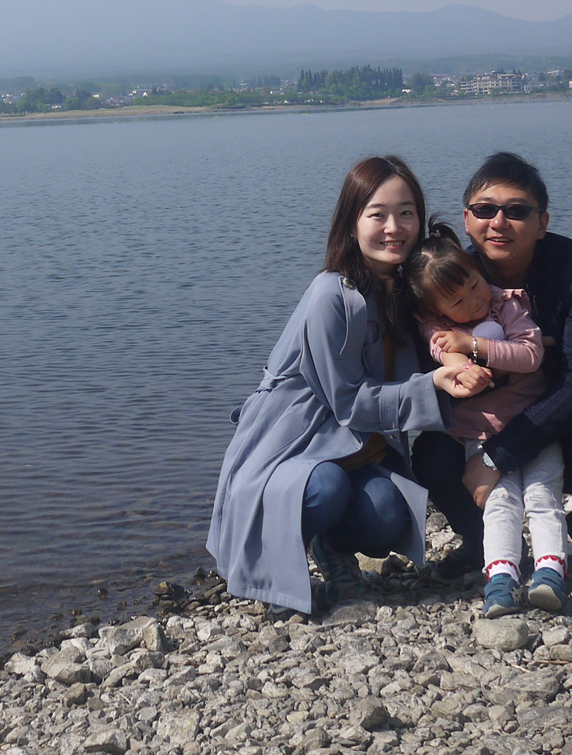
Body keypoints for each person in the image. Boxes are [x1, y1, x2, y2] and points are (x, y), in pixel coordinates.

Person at [208, 156, 494, 617]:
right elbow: (349, 402)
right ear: (351, 222)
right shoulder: (331, 295)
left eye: (406, 213)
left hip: (358, 448)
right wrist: (434, 385)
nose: (393, 227)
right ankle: (279, 570)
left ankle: (332, 550)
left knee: (389, 516)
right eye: (377, 214)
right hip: (295, 445)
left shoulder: (405, 290)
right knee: (325, 487)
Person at [410, 151, 572, 574]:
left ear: (542, 223)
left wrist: (494, 458)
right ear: (467, 220)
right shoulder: (447, 274)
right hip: (489, 409)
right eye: (485, 210)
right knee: (430, 454)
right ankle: (482, 543)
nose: (498, 222)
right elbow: (423, 339)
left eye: (517, 211)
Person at [407, 225, 569, 616]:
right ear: (437, 310)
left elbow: (530, 355)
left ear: (480, 271)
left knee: (543, 496)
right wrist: (461, 365)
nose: (475, 301)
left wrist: (475, 345)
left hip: (533, 426)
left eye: (476, 284)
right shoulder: (439, 329)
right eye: (458, 301)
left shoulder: (507, 304)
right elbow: (443, 353)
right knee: (499, 501)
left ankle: (551, 572)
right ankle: (501, 576)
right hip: (481, 433)